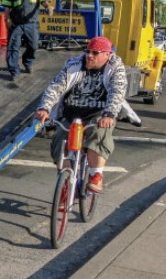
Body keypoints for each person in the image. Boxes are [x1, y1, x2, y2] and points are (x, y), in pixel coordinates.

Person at [34, 36, 140, 193]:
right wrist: (45, 108)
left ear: (107, 55)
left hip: (99, 113)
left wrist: (109, 114)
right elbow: (55, 87)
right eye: (88, 51)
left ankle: (95, 175)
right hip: (72, 111)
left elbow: (117, 91)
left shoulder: (115, 67)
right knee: (59, 140)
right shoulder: (74, 65)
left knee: (98, 135)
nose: (90, 56)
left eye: (95, 53)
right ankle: (66, 181)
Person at [2, 0, 53, 80]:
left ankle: (28, 62)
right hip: (16, 25)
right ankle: (14, 70)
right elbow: (7, 7)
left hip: (31, 25)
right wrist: (7, 19)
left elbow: (44, 1)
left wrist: (48, 7)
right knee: (13, 48)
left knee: (34, 46)